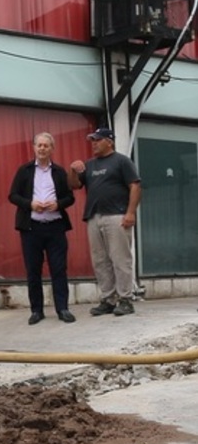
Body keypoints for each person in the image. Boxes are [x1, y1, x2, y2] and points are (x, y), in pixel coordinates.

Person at [69, 126, 142, 317]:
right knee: (100, 260)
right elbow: (74, 185)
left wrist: (130, 213)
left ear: (109, 141)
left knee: (120, 259)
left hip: (117, 216)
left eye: (97, 140)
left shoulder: (122, 161)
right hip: (94, 217)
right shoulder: (89, 165)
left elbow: (135, 186)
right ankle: (108, 299)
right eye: (92, 140)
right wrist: (74, 171)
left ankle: (125, 299)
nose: (93, 143)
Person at [8, 132, 76, 325]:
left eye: (46, 145)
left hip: (55, 228)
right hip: (31, 229)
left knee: (59, 269)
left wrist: (58, 204)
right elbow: (13, 195)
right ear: (34, 147)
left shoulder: (60, 172)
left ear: (52, 149)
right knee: (33, 270)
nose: (42, 148)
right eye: (39, 145)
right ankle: (36, 311)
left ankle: (62, 309)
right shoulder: (25, 170)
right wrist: (30, 204)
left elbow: (70, 197)